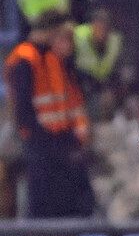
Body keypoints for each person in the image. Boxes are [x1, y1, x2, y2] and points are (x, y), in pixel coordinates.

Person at [3, 12, 93, 217]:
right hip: (38, 144)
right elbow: (23, 109)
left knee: (63, 201)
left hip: (58, 142)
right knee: (41, 204)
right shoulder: (25, 58)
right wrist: (42, 141)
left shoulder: (51, 58)